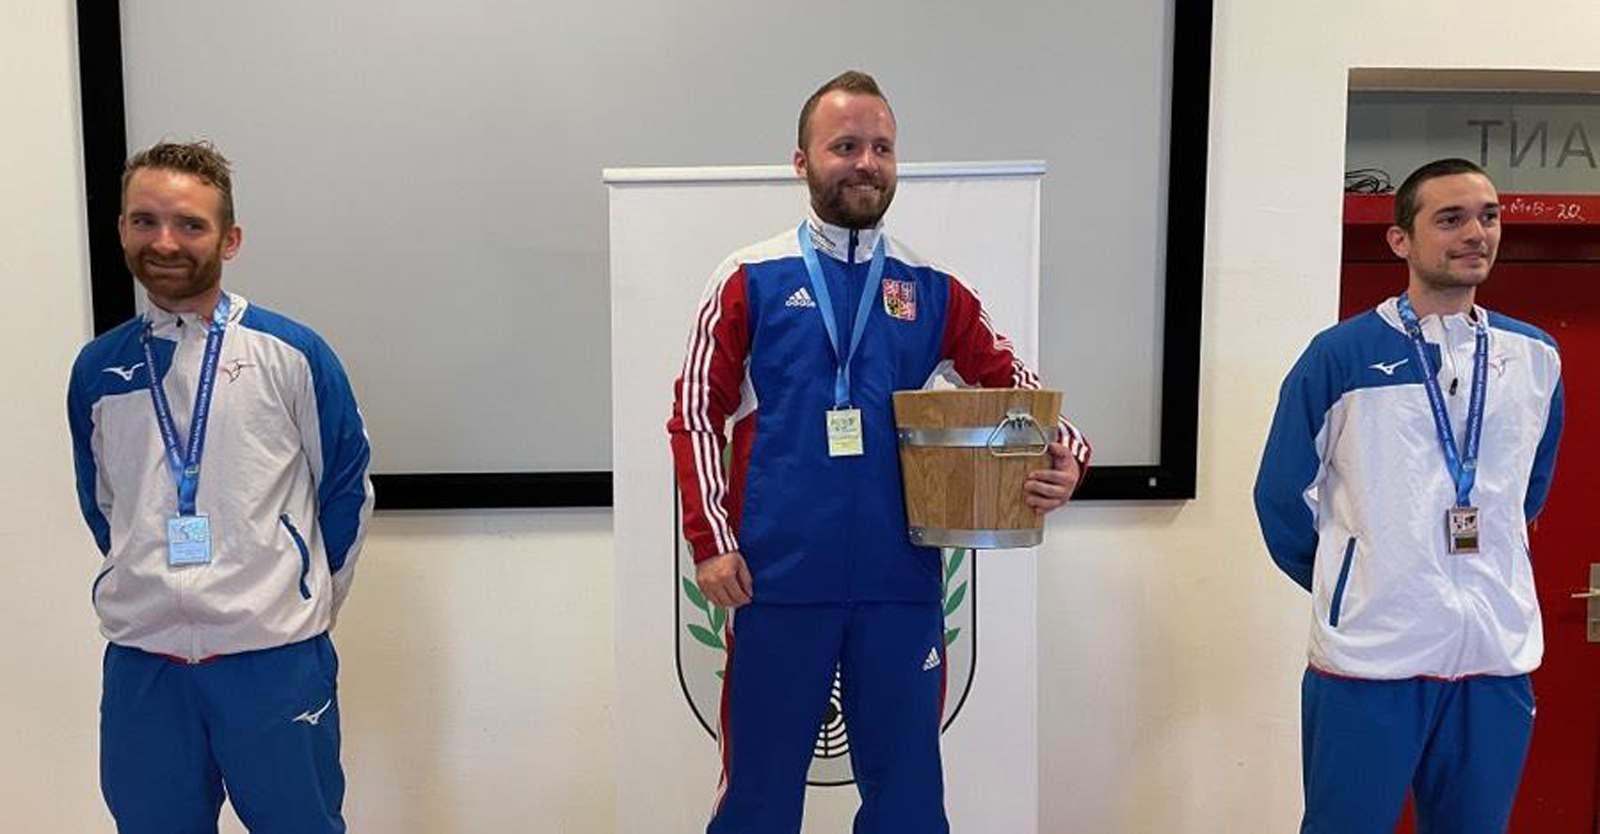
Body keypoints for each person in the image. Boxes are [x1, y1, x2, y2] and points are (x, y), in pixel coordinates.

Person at [667, 71, 1091, 832]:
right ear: (801, 161)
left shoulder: (931, 288)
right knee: (759, 798)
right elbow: (696, 411)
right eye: (845, 146)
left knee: (908, 803)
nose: (866, 163)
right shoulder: (748, 278)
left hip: (901, 583)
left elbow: (1020, 392)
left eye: (882, 148)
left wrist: (1066, 452)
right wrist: (712, 542)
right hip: (776, 583)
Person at [67, 140, 373, 833]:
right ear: (120, 230)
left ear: (229, 239)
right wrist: (145, 573)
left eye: (190, 225)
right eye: (144, 221)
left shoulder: (290, 353)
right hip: (145, 664)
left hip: (273, 660)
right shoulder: (98, 368)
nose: (165, 241)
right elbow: (104, 503)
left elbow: (348, 487)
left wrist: (298, 599)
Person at [1254, 158, 1563, 833]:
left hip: (1494, 656)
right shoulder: (1339, 355)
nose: (1476, 233)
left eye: (1488, 216)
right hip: (1371, 660)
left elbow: (1527, 490)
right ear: (1401, 241)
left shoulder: (1536, 357)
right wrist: (1359, 581)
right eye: (1450, 218)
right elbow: (1279, 497)